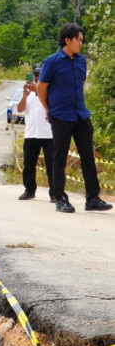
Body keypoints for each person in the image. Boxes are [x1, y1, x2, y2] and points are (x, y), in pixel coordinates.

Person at [37, 23, 113, 213]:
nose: (81, 43)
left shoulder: (81, 61)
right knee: (59, 157)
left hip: (81, 114)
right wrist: (49, 109)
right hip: (61, 115)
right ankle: (60, 198)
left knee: (88, 156)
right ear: (67, 40)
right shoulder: (52, 61)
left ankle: (93, 198)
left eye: (82, 40)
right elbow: (41, 88)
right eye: (78, 40)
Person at [16, 64, 55, 202]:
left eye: (40, 75)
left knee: (52, 165)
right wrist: (24, 96)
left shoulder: (50, 90)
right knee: (29, 164)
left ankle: (55, 193)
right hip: (31, 133)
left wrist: (37, 90)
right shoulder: (30, 92)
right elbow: (20, 109)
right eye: (36, 75)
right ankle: (29, 190)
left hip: (48, 134)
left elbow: (52, 106)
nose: (37, 78)